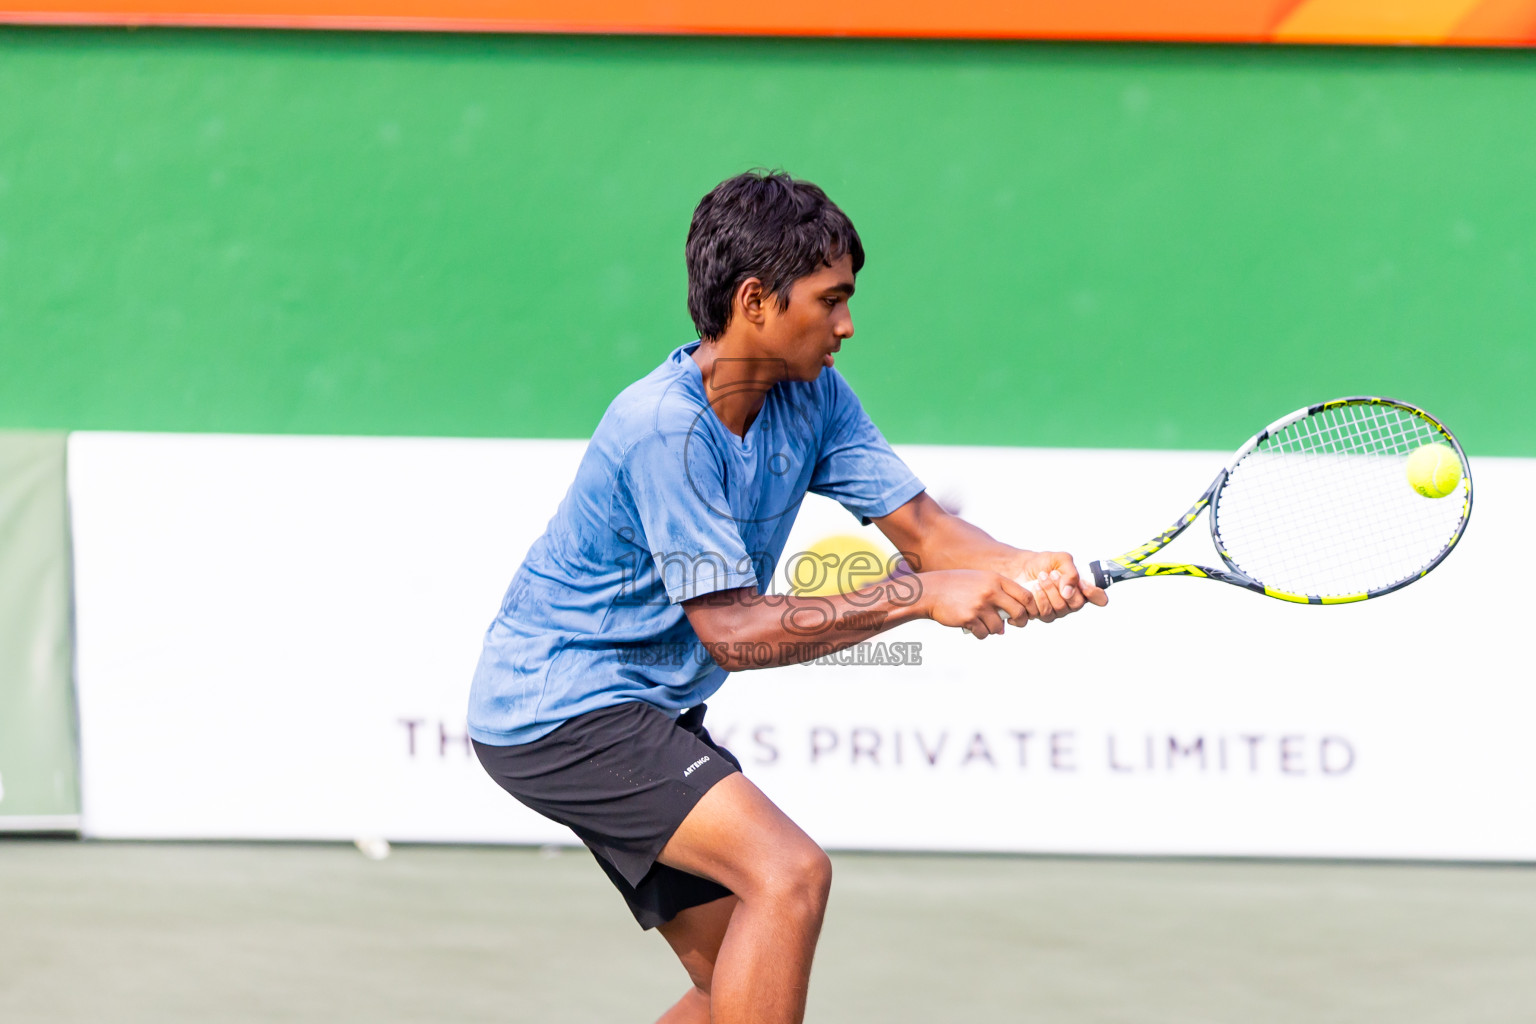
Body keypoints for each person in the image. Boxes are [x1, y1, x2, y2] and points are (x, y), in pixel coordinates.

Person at [468, 170, 1107, 1024]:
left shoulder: (813, 396)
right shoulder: (664, 427)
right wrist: (917, 598)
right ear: (756, 301)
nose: (847, 324)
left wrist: (1025, 568)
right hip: (561, 706)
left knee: (734, 977)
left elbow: (926, 531)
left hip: (640, 708)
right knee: (790, 873)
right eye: (830, 299)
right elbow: (734, 631)